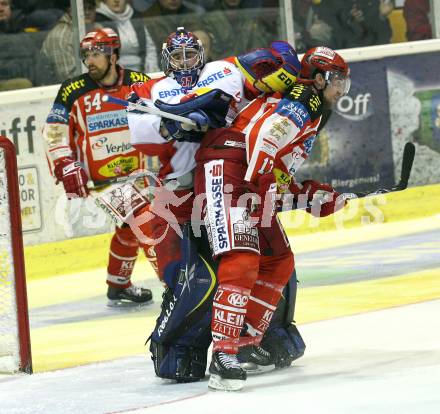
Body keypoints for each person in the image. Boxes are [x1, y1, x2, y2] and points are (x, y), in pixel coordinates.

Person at [124, 27, 301, 382]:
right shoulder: (149, 89)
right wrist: (174, 126)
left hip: (232, 182)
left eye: (192, 54)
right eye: (179, 56)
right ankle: (175, 348)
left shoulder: (224, 70)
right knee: (198, 279)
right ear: (165, 59)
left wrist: (284, 65)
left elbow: (277, 66)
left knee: (271, 263)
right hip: (182, 196)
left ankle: (261, 336)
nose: (186, 62)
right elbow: (142, 134)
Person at [193, 45, 350, 390]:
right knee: (242, 257)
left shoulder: (309, 103)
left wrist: (311, 195)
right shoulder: (306, 97)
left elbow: (277, 165)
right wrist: (259, 182)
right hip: (228, 167)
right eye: (338, 81)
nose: (342, 90)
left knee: (278, 258)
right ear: (320, 79)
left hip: (244, 170)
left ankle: (246, 342)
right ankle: (223, 355)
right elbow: (263, 137)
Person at [42, 28, 157, 307]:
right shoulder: (73, 90)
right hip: (100, 181)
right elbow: (54, 130)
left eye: (97, 54)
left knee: (130, 227)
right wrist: (65, 163)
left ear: (113, 55)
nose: (90, 61)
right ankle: (177, 288)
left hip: (139, 176)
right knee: (147, 223)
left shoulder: (139, 83)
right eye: (86, 55)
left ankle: (118, 285)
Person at [40, 0, 97, 83]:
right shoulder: (60, 37)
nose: (87, 12)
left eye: (90, 8)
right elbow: (70, 79)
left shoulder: (97, 29)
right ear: (70, 9)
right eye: (83, 8)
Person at [95, 0, 159, 73]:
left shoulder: (135, 16)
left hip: (142, 71)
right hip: (115, 74)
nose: (116, 1)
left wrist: (151, 69)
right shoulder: (98, 20)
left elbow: (150, 48)